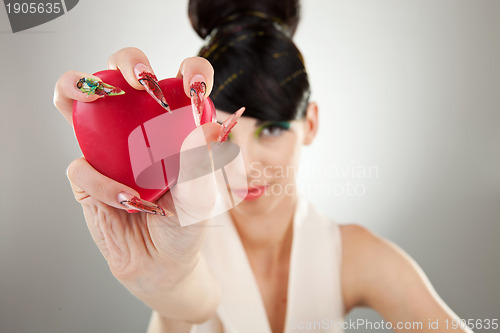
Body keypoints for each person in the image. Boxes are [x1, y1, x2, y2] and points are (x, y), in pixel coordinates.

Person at [53, 0, 475, 332]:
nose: (245, 163)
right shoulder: (181, 242)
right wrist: (168, 282)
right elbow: (190, 299)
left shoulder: (357, 256)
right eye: (223, 130)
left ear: (310, 124)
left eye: (271, 130)